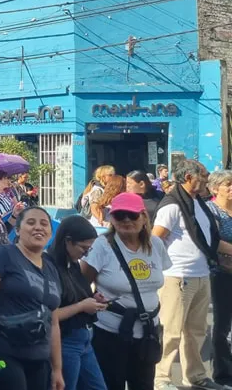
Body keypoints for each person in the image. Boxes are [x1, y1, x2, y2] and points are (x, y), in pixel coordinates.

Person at [152, 160, 232, 390]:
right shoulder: (172, 206)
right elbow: (156, 239)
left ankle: (195, 377)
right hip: (178, 275)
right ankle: (162, 378)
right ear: (188, 177)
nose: (207, 180)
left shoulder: (199, 204)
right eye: (203, 176)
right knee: (171, 330)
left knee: (196, 331)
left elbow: (210, 242)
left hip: (201, 274)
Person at [82, 192, 170, 390]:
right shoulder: (102, 245)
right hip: (111, 333)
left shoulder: (155, 244)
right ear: (111, 218)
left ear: (144, 217)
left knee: (144, 385)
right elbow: (81, 282)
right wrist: (91, 298)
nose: (126, 220)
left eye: (132, 215)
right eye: (120, 215)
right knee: (111, 384)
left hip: (148, 333)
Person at [0, 207, 63, 390]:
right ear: (19, 230)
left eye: (44, 224)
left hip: (39, 358)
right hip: (4, 353)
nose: (38, 227)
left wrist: (57, 368)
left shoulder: (51, 268)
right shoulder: (3, 255)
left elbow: (53, 322)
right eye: (31, 222)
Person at [48, 215, 107, 390]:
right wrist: (81, 306)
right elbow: (50, 315)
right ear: (67, 241)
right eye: (83, 248)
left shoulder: (72, 264)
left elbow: (76, 296)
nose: (85, 254)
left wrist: (93, 300)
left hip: (84, 338)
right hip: (66, 342)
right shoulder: (50, 266)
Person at [207, 170, 232, 386]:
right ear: (215, 189)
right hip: (221, 274)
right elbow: (212, 241)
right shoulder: (211, 211)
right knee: (222, 325)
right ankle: (223, 373)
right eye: (228, 185)